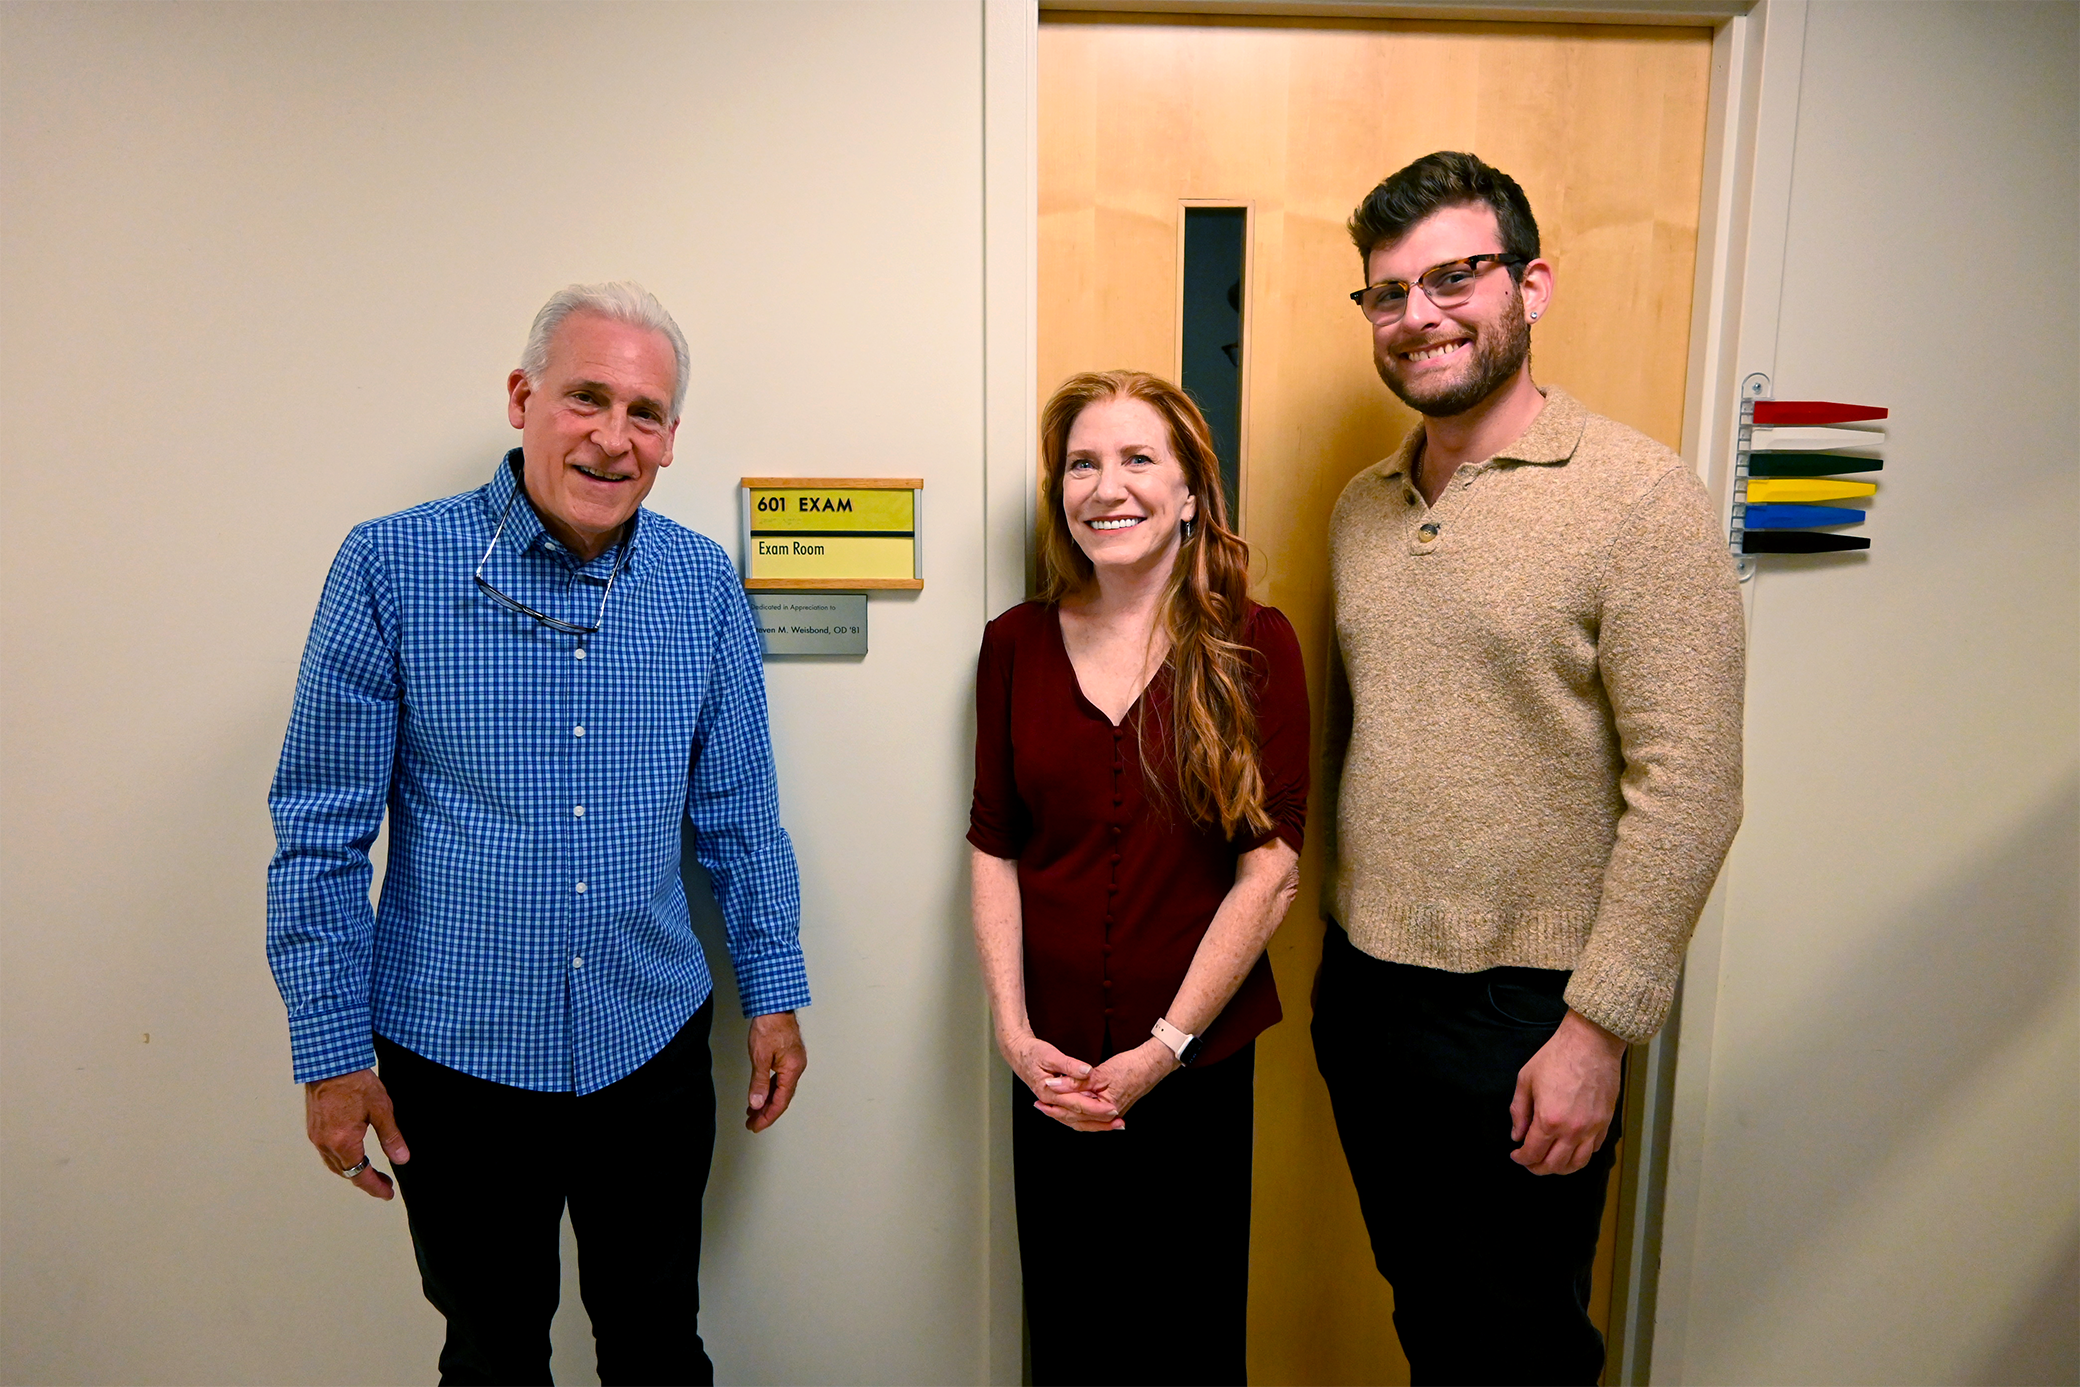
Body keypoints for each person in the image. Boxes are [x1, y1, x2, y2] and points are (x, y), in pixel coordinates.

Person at [266, 282, 811, 1386]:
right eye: (586, 398)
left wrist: (775, 989)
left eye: (645, 412)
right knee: (493, 1350)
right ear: (523, 399)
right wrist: (330, 1054)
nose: (614, 437)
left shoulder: (701, 583)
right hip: (453, 1057)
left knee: (658, 1342)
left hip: (649, 1043)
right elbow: (321, 831)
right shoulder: (389, 567)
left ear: (669, 437)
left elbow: (742, 816)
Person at [1312, 152, 1745, 1384]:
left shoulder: (1640, 497)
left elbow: (1691, 787)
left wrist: (1597, 1031)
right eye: (1388, 292)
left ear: (1531, 284)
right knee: (1428, 1316)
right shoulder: (1363, 504)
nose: (1419, 315)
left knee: (1520, 1345)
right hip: (1372, 988)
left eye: (1454, 276)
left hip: (1530, 1011)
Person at [968, 370, 1309, 1387]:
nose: (1104, 487)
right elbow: (993, 845)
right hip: (1053, 1070)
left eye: (1135, 459)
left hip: (1194, 1071)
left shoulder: (1255, 646)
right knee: (1070, 1343)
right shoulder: (1013, 646)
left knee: (1189, 1343)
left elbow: (1272, 868)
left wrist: (1163, 1047)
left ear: (1191, 491)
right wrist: (1012, 1031)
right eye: (1081, 462)